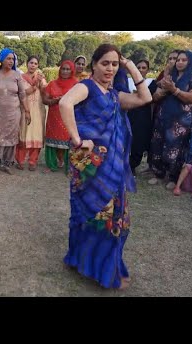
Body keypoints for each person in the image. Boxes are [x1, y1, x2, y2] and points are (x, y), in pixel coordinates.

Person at [59, 44, 152, 289]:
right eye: (105, 63)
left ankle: (94, 264)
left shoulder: (114, 95)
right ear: (94, 64)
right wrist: (78, 139)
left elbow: (146, 97)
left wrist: (130, 65)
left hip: (112, 168)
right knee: (90, 213)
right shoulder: (86, 87)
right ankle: (84, 261)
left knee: (110, 217)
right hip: (90, 165)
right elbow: (65, 104)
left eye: (114, 64)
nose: (110, 68)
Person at [149, 50, 192, 189]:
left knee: (176, 149)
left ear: (189, 61)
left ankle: (173, 177)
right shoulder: (169, 76)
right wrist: (164, 88)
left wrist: (174, 90)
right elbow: (155, 96)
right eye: (178, 60)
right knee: (158, 145)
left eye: (183, 60)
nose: (179, 62)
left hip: (180, 121)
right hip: (163, 117)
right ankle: (158, 174)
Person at [0, 48, 29, 174]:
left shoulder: (17, 75)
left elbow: (22, 94)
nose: (11, 61)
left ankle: (7, 162)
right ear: (1, 59)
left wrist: (27, 110)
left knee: (11, 136)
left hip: (13, 112)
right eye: (8, 58)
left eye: (12, 59)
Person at [42, 60, 78, 173]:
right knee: (52, 140)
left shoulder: (76, 84)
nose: (65, 71)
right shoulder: (52, 84)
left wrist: (67, 100)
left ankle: (69, 166)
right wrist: (54, 100)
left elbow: (80, 100)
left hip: (68, 117)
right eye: (63, 68)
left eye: (68, 69)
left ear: (72, 71)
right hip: (54, 116)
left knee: (68, 141)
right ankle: (51, 164)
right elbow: (45, 100)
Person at [16, 55, 47, 171]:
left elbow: (45, 92)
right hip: (25, 108)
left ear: (38, 65)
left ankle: (33, 161)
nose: (33, 65)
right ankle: (20, 160)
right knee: (24, 132)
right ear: (27, 63)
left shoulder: (40, 77)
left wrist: (41, 84)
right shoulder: (21, 78)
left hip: (38, 109)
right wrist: (35, 85)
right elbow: (22, 93)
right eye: (31, 63)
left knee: (36, 133)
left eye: (35, 63)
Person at [127, 60, 154, 175]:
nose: (141, 70)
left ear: (148, 70)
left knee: (138, 142)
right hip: (128, 114)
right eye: (138, 67)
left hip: (143, 116)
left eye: (144, 67)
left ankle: (132, 166)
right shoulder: (127, 81)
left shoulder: (152, 83)